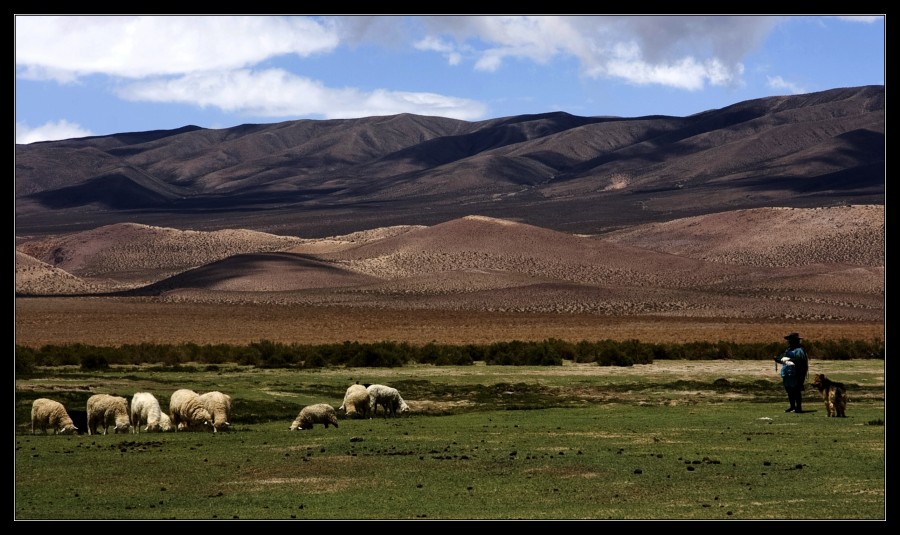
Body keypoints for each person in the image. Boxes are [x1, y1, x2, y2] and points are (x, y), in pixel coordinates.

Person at [774, 332, 808, 413]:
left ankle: (798, 407)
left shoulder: (799, 350)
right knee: (789, 390)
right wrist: (778, 359)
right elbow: (783, 359)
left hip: (796, 373)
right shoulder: (788, 349)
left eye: (790, 340)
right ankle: (792, 406)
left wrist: (787, 360)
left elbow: (799, 360)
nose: (789, 342)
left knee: (796, 390)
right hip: (787, 373)